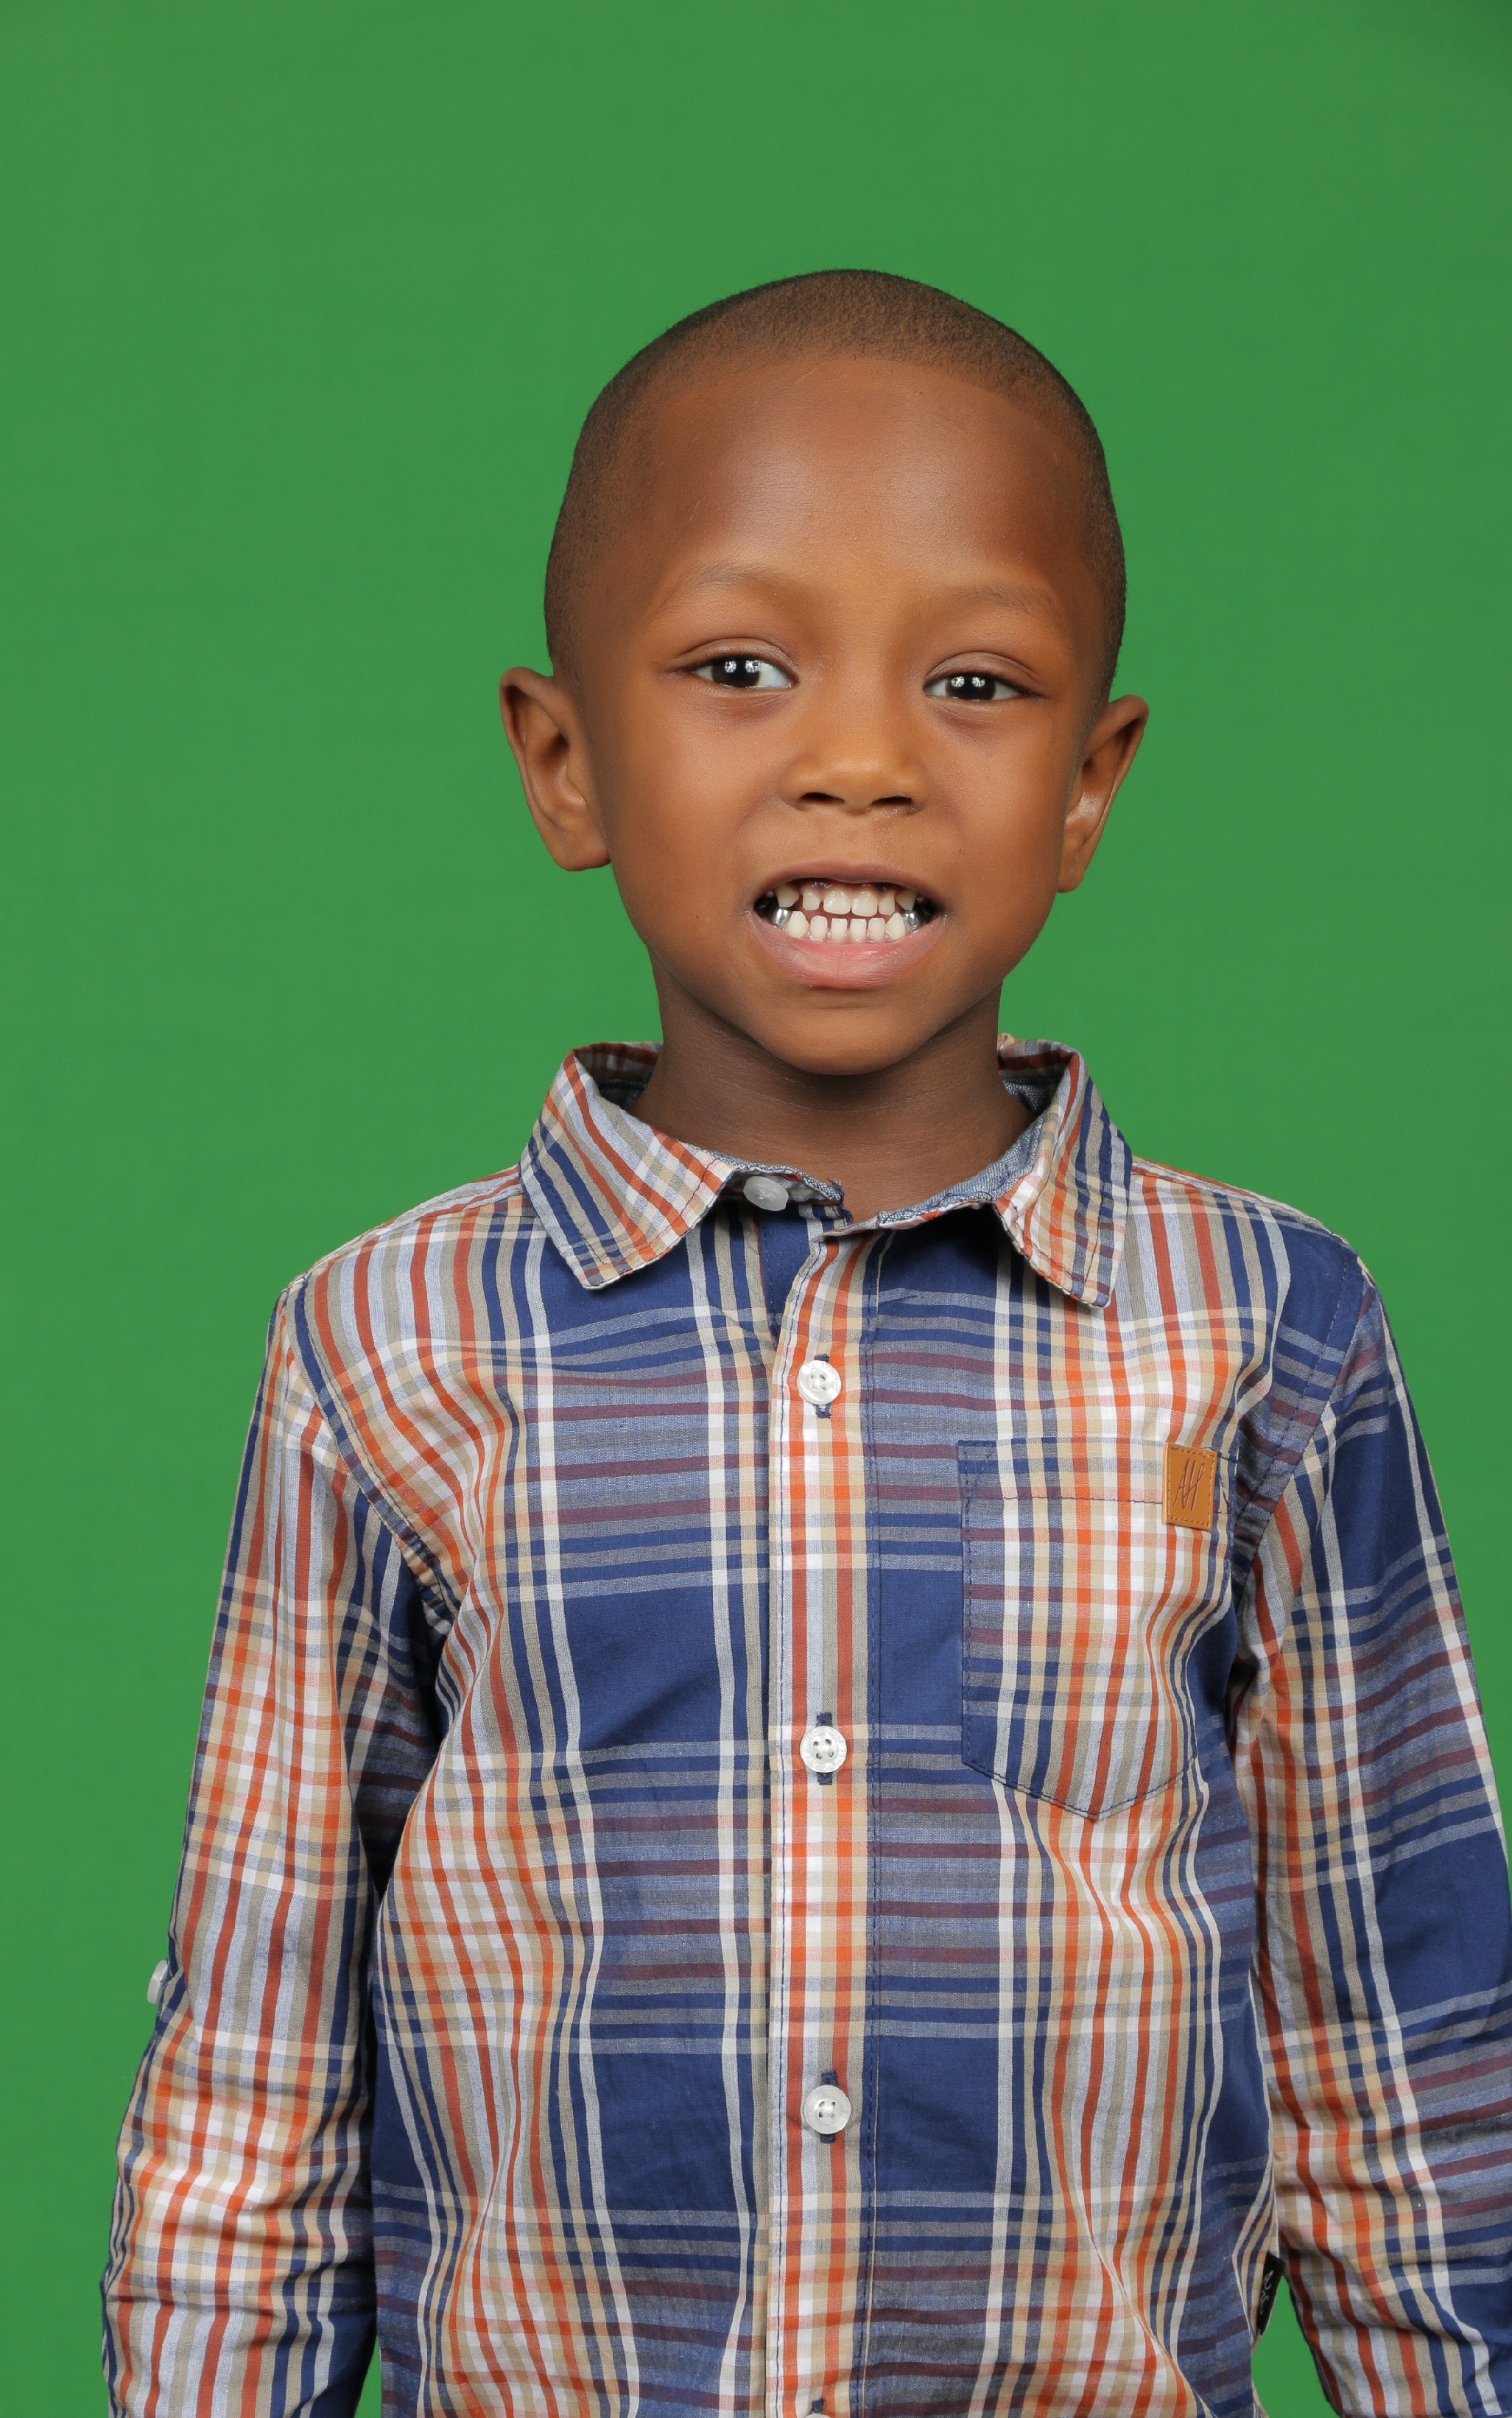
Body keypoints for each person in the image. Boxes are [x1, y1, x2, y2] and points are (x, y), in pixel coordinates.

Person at [102, 270, 1511, 2418]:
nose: (860, 761)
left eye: (975, 682)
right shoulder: (384, 1346)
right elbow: (255, 2085)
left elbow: (1408, 2063)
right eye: (740, 669)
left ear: (1089, 785)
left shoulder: (1265, 1333)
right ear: (565, 760)